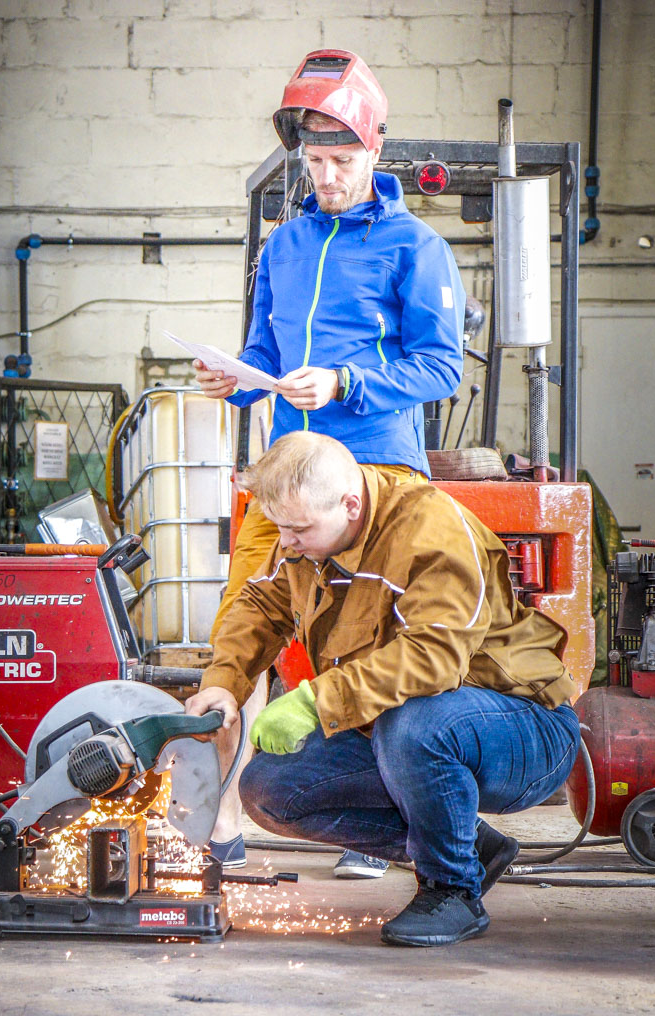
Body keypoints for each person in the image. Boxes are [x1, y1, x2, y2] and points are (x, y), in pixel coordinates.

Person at [194, 48, 466, 877]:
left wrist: (348, 379)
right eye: (313, 162)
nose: (326, 176)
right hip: (286, 477)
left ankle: (373, 826)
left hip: (374, 482)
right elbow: (265, 351)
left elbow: (441, 368)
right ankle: (215, 819)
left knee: (361, 655)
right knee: (241, 626)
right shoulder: (284, 246)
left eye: (341, 160)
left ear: (374, 151)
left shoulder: (414, 247)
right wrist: (235, 382)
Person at [185, 432, 580, 947]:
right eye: (281, 528)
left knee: (413, 724)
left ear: (351, 505)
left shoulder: (430, 530)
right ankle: (470, 848)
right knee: (271, 789)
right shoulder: (306, 540)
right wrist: (223, 684)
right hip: (405, 727)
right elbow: (259, 607)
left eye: (299, 529)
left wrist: (314, 700)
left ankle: (453, 890)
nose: (287, 543)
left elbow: (433, 659)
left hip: (524, 727)